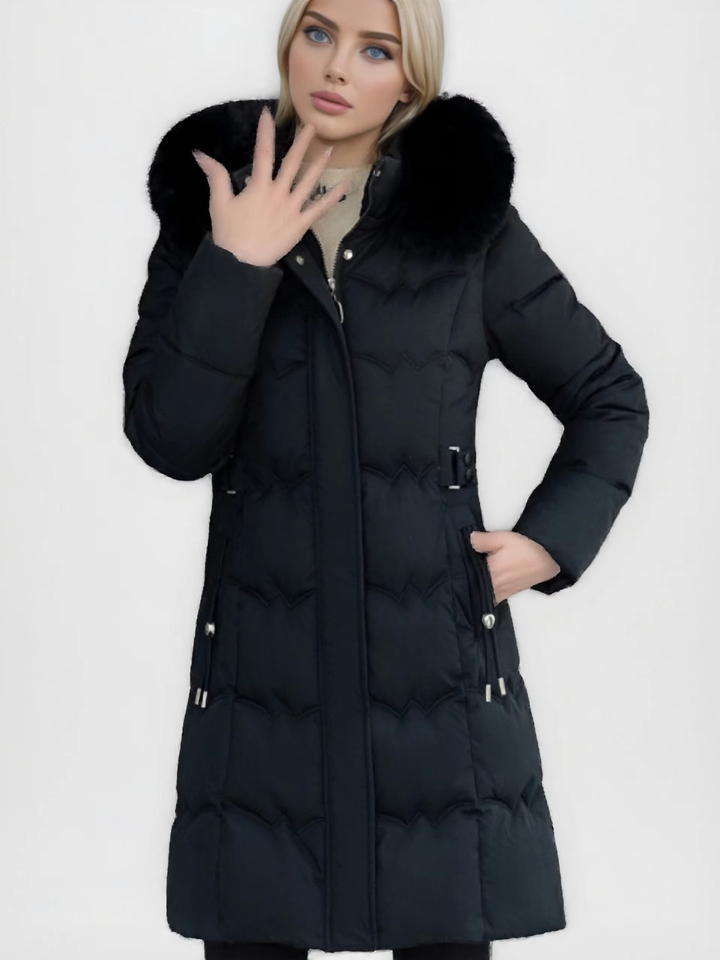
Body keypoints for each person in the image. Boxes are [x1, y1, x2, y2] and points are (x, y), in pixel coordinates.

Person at [121, 0, 650, 957]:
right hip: (262, 685)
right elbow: (170, 438)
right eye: (320, 33)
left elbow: (609, 396)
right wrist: (236, 262)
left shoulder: (463, 228)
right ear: (291, 38)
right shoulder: (213, 211)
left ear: (410, 77)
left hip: (434, 684)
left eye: (376, 49)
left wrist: (550, 541)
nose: (337, 67)